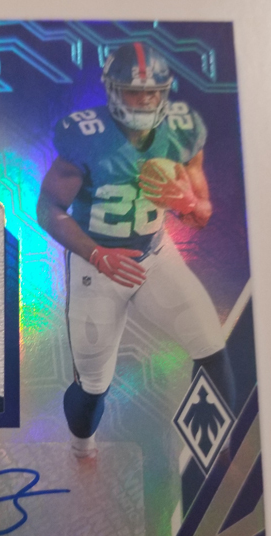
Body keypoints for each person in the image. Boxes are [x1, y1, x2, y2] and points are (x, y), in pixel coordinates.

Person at [36, 42, 235, 458]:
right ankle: (82, 448)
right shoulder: (86, 136)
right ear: (112, 90)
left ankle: (217, 457)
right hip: (97, 264)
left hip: (156, 255)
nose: (144, 100)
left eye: (153, 92)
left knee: (212, 348)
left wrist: (188, 204)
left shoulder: (182, 129)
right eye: (133, 91)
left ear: (165, 91)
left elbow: (202, 214)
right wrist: (96, 254)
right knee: (93, 385)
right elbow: (49, 209)